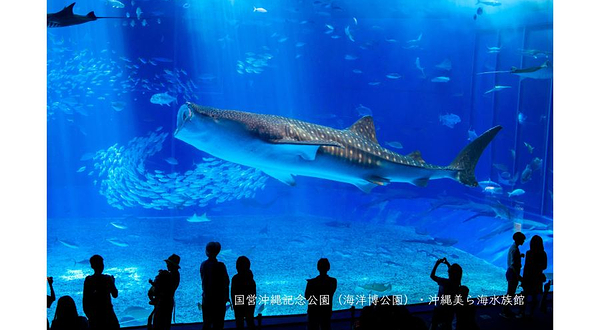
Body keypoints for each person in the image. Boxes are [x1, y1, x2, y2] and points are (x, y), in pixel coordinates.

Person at [83, 255, 120, 330]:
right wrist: (113, 283)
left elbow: (85, 300)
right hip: (108, 314)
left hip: (95, 315)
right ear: (102, 266)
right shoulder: (107, 279)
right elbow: (115, 295)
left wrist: (90, 316)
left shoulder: (88, 280)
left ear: (92, 266)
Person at [200, 242, 230, 330]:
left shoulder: (203, 265)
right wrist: (226, 296)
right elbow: (226, 282)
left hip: (207, 298)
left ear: (207, 252)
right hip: (219, 299)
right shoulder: (221, 266)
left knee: (207, 322)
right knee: (219, 323)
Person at [148, 254, 181, 330]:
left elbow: (162, 288)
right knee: (165, 323)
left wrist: (156, 282)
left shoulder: (169, 275)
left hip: (163, 303)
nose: (167, 265)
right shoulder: (175, 274)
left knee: (159, 323)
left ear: (172, 264)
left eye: (168, 264)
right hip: (168, 302)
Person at [519, 235, 547, 318]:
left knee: (525, 296)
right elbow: (544, 266)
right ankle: (531, 313)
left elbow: (526, 267)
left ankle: (522, 312)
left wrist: (523, 279)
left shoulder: (529, 253)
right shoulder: (543, 253)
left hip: (529, 278)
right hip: (538, 278)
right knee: (534, 297)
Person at [305, 258, 337, 330]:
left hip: (313, 311)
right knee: (326, 327)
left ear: (317, 268)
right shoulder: (333, 281)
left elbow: (307, 296)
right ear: (328, 267)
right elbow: (329, 293)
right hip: (326, 310)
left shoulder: (311, 282)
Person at [429, 258, 462, 330]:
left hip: (440, 308)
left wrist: (437, 264)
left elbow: (432, 276)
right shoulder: (457, 283)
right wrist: (448, 264)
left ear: (449, 272)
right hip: (450, 308)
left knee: (434, 324)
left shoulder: (444, 282)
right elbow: (453, 274)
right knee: (448, 324)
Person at [500, 232, 526, 319]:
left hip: (510, 272)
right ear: (519, 239)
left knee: (510, 293)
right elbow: (513, 265)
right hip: (512, 273)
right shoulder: (515, 249)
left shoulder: (514, 248)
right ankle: (504, 311)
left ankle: (506, 309)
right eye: (522, 239)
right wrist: (518, 276)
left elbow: (513, 259)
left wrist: (519, 256)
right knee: (510, 294)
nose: (523, 241)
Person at [231, 256, 256, 329]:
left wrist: (234, 305)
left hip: (239, 302)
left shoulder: (235, 279)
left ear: (237, 267)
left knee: (239, 322)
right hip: (249, 303)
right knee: (250, 320)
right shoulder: (251, 280)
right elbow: (253, 295)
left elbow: (233, 293)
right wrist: (252, 305)